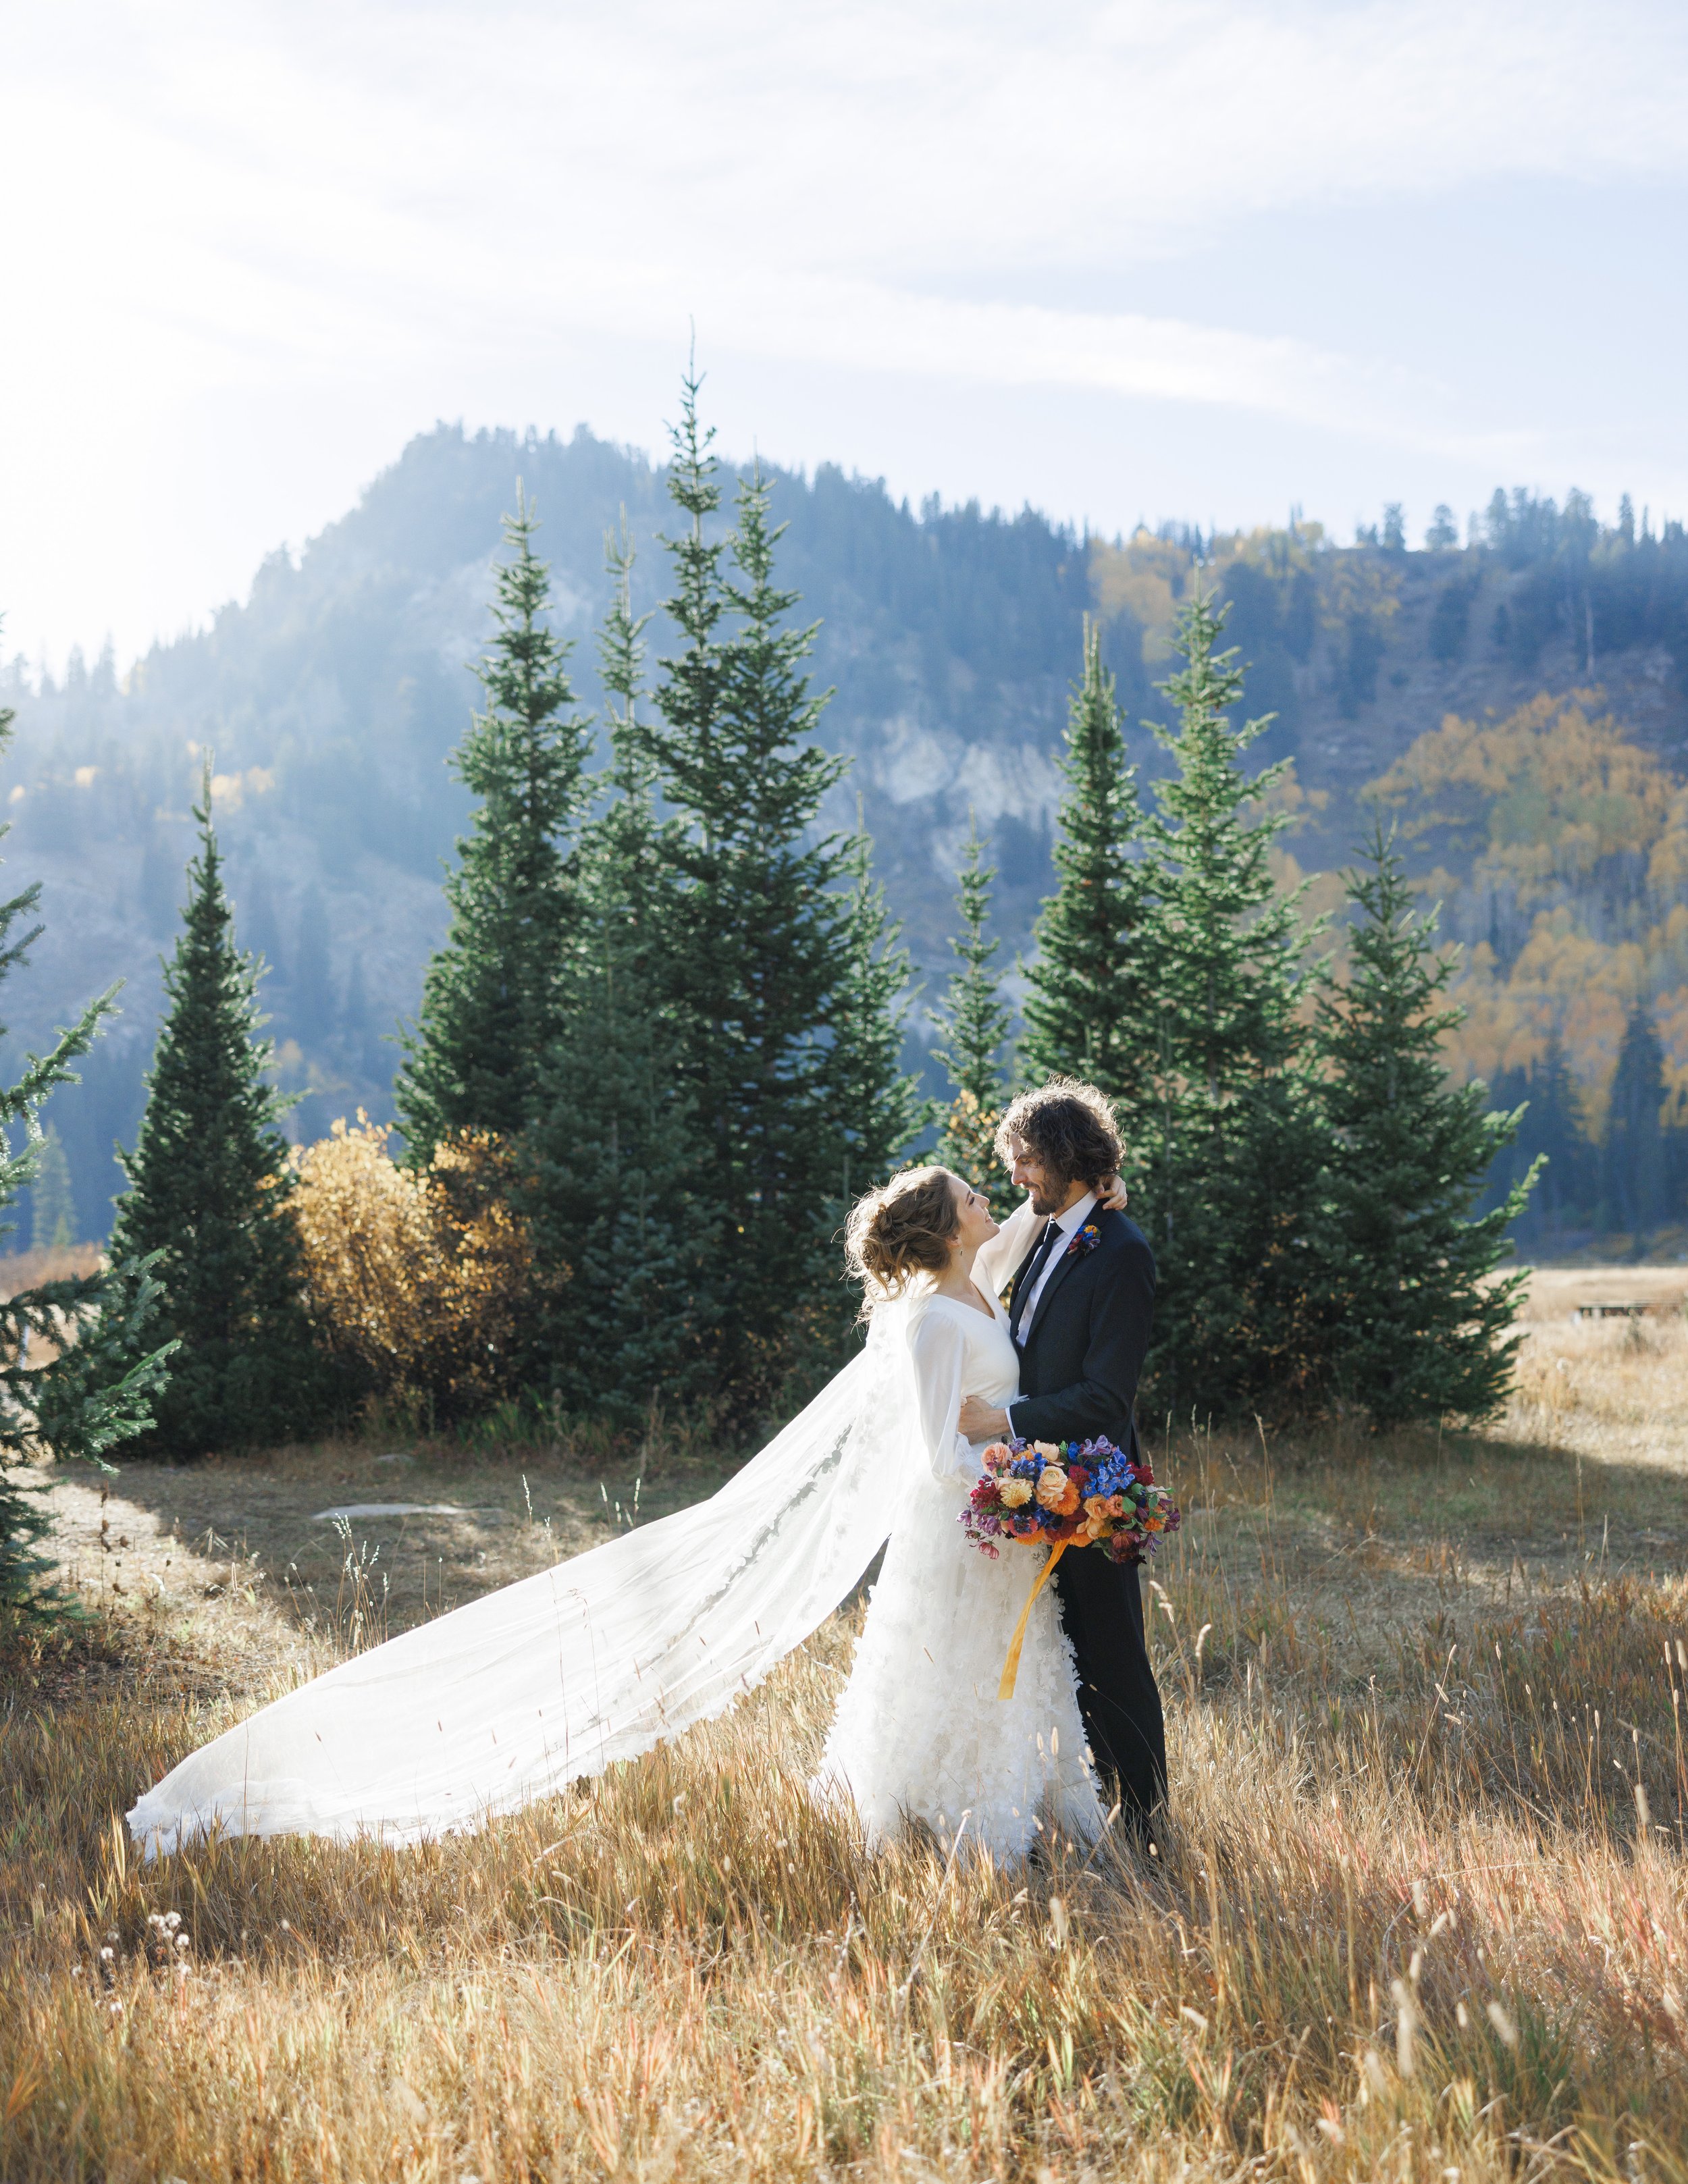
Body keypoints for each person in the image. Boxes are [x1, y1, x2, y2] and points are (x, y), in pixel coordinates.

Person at [126, 1102, 1153, 1862]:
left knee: (1009, 1678)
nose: (998, 1193)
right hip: (965, 1519)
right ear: (943, 1229)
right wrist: (1011, 1471)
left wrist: (1100, 1188)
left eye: (1003, 1185)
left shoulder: (987, 1262)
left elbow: (1048, 1224)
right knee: (947, 1676)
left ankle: (1018, 1814)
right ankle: (938, 1824)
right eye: (979, 1193)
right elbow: (938, 1449)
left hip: (1002, 1519)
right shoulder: (934, 1314)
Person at [958, 1080, 1166, 1838]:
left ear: (1066, 1158)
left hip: (1094, 1491)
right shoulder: (1051, 1229)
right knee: (1068, 1660)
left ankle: (1146, 1827)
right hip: (1035, 1487)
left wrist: (1000, 1418)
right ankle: (1087, 1816)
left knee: (1114, 1659)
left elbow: (1106, 1396)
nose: (1017, 1176)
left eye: (1024, 1160)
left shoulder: (1122, 1253)